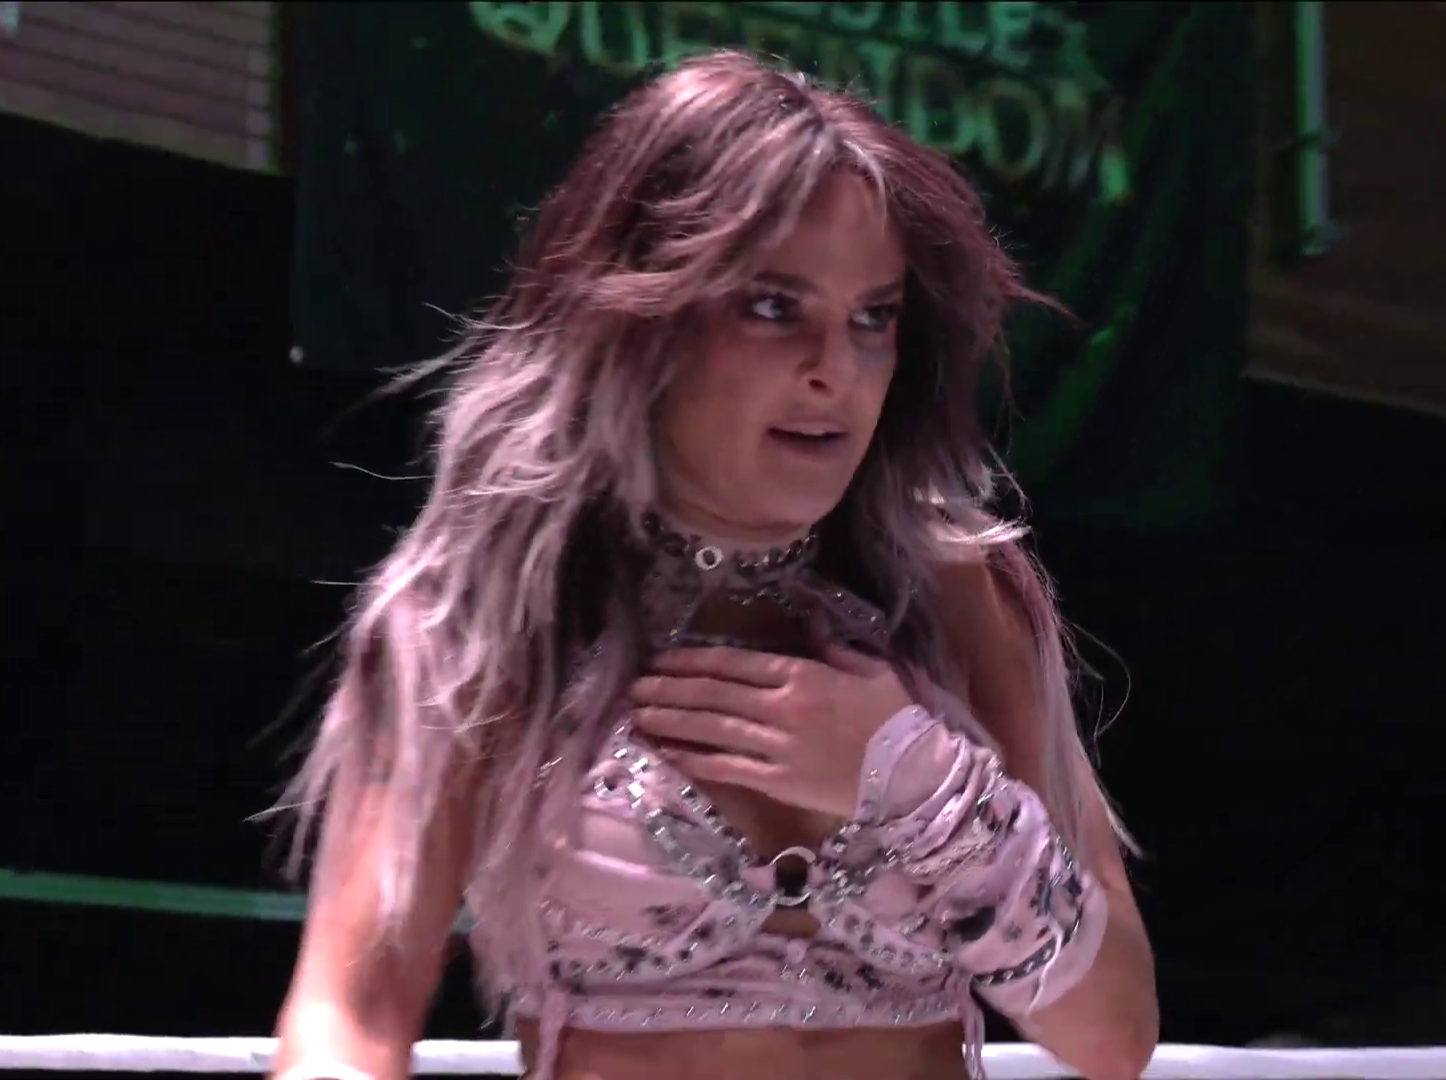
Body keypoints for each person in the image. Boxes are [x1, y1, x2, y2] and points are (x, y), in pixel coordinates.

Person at [268, 50, 1158, 1080]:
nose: (836, 371)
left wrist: (917, 781)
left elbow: (1114, 1035)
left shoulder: (956, 591)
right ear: (640, 312)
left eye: (874, 317)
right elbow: (348, 1013)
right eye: (774, 307)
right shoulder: (486, 611)